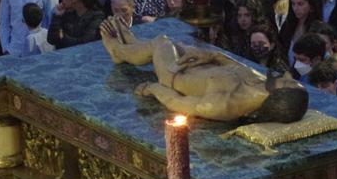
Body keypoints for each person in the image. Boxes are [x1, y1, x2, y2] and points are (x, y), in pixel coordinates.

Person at [100, 16, 309, 123]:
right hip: (197, 64)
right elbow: (231, 64)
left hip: (174, 75)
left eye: (287, 81)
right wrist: (210, 56)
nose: (287, 73)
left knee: (161, 42)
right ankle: (135, 46)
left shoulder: (228, 105)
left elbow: (180, 103)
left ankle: (118, 51)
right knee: (179, 46)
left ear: (277, 96)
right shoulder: (260, 81)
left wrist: (153, 89)